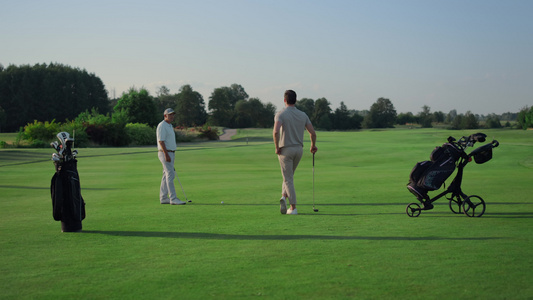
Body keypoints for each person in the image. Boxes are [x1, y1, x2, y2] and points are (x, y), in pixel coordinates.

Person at [273, 90, 317, 215]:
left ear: (284, 100)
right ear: (295, 100)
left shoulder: (280, 114)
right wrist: (313, 145)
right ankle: (283, 197)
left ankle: (293, 208)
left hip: (285, 149)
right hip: (299, 149)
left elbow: (276, 132)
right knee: (288, 176)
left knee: (288, 179)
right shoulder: (303, 115)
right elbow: (312, 133)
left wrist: (277, 147)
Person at [157, 108, 186, 205]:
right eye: (170, 115)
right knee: (170, 174)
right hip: (165, 152)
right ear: (165, 115)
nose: (172, 116)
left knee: (166, 175)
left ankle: (163, 198)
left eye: (173, 114)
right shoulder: (162, 125)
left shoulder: (169, 126)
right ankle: (173, 198)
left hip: (171, 152)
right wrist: (166, 154)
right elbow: (161, 141)